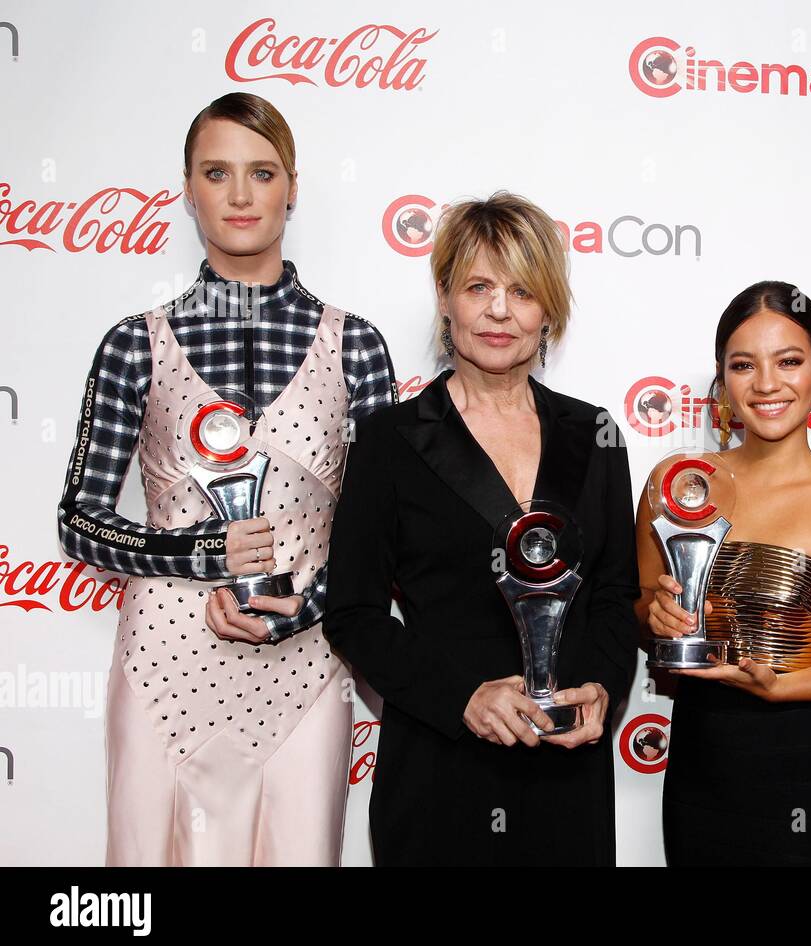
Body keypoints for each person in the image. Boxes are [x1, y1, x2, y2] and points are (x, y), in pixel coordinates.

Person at [56, 92, 395, 865]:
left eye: (262, 173)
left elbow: (386, 528)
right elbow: (79, 520)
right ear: (188, 188)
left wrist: (311, 604)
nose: (241, 195)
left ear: (292, 187)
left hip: (307, 659)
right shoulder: (132, 346)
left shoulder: (359, 346)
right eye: (217, 172)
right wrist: (203, 555)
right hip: (165, 659)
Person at [323, 191, 640, 866]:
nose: (500, 311)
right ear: (444, 298)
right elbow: (353, 613)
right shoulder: (390, 439)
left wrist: (602, 692)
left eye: (523, 290)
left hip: (567, 778)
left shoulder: (598, 435)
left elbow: (616, 598)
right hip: (441, 770)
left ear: (549, 308)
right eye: (478, 286)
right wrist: (461, 698)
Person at [638, 281, 811, 866]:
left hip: (804, 766)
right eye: (744, 365)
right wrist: (654, 613)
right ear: (721, 380)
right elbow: (643, 607)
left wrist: (782, 686)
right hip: (698, 765)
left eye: (789, 361)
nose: (766, 384)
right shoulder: (678, 484)